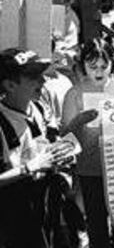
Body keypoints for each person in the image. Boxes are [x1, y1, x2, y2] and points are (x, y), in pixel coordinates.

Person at [0, 48, 74, 248]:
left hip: (47, 202)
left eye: (42, 74)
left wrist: (65, 151)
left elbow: (51, 142)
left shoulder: (40, 107)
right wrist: (30, 167)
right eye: (33, 76)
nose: (43, 81)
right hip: (16, 212)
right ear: (9, 85)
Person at [61, 38, 114, 248]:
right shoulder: (74, 93)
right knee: (96, 226)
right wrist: (78, 122)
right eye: (92, 66)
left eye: (104, 66)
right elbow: (65, 137)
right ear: (83, 65)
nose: (99, 71)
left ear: (112, 63)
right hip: (90, 169)